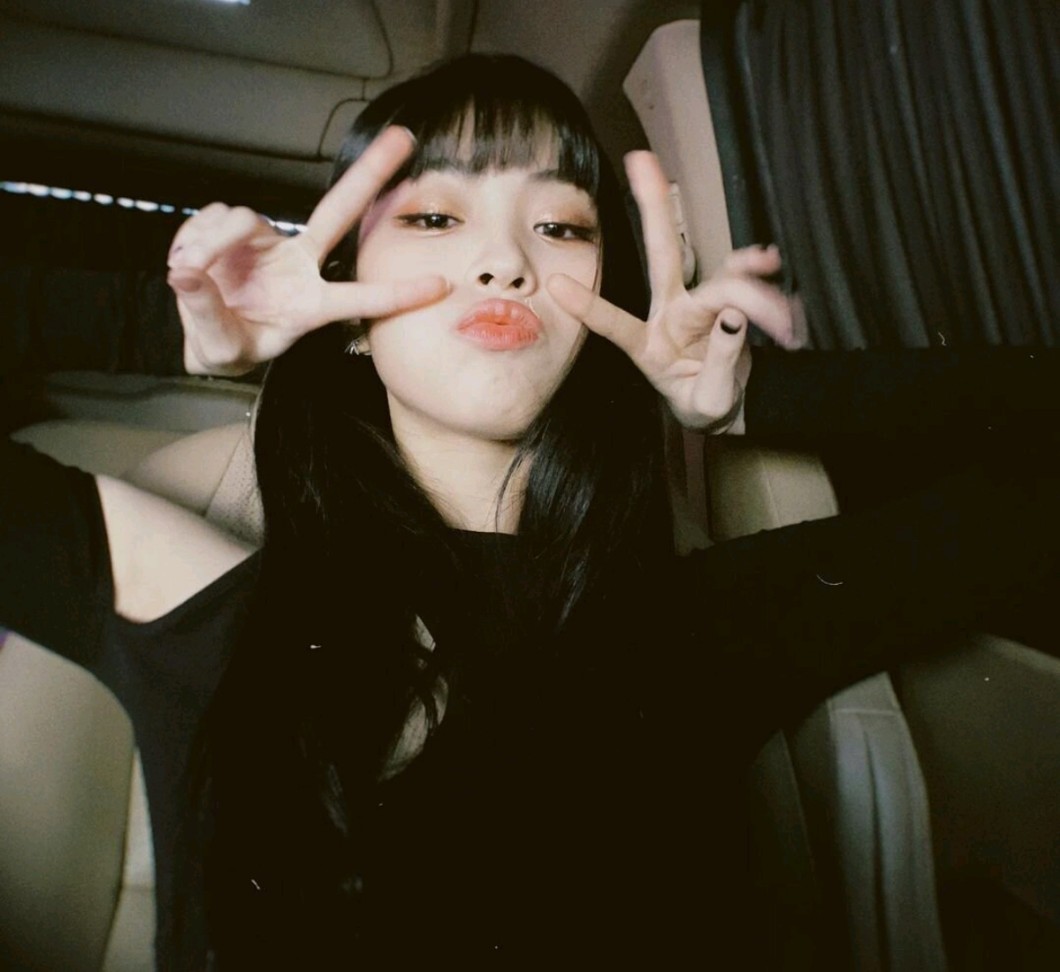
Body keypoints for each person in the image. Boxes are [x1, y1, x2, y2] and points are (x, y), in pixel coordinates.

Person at [2, 53, 1058, 968]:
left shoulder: (700, 628)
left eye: (558, 225)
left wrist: (752, 406)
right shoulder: (208, 600)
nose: (505, 260)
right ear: (348, 313)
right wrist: (196, 342)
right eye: (433, 216)